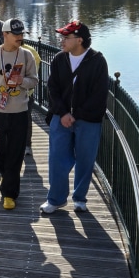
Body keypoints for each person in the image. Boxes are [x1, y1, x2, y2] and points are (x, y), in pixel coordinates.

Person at [42, 20, 111, 214]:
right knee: (56, 158)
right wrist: (63, 113)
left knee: (85, 158)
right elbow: (52, 88)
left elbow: (99, 94)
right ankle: (55, 199)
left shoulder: (97, 61)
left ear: (79, 40)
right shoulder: (58, 59)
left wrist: (76, 114)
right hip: (61, 117)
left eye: (66, 37)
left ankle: (80, 198)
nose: (62, 41)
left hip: (88, 119)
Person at [0, 19, 38, 211]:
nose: (20, 37)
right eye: (16, 34)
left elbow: (34, 80)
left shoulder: (26, 55)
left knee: (16, 152)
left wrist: (22, 81)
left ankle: (9, 194)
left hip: (19, 110)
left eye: (21, 34)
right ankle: (8, 173)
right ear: (5, 34)